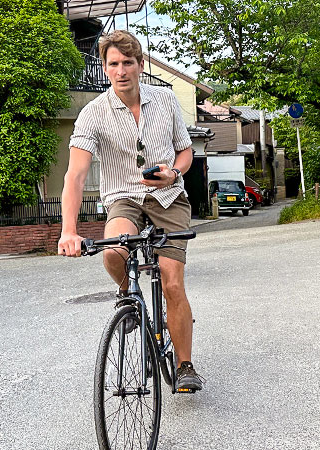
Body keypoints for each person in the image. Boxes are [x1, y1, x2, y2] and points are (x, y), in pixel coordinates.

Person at [57, 30, 203, 391]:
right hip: (123, 196)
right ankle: (128, 294)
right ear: (105, 69)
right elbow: (75, 175)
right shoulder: (93, 113)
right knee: (112, 251)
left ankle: (184, 365)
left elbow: (185, 152)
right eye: (113, 64)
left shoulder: (165, 100)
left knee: (172, 280)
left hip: (168, 197)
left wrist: (174, 172)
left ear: (139, 65)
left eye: (127, 63)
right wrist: (69, 230)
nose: (120, 70)